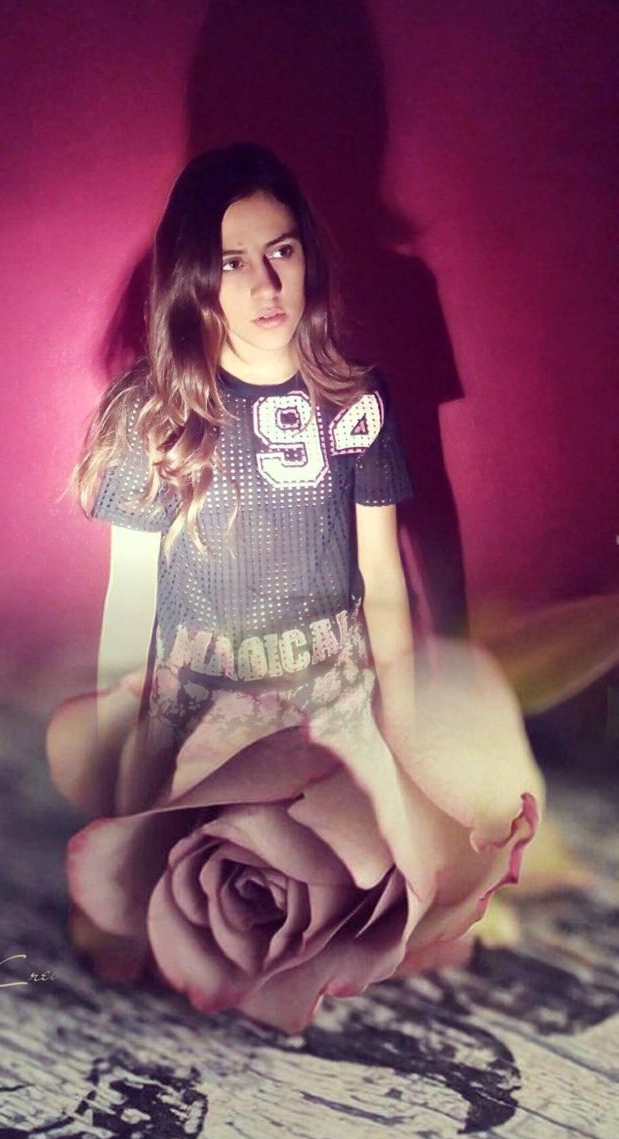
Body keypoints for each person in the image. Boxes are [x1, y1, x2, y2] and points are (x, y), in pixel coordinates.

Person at [73, 142, 415, 816]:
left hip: (332, 732)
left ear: (307, 254)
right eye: (232, 262)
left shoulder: (357, 400)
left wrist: (406, 747)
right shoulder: (154, 412)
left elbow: (382, 580)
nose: (266, 285)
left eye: (281, 251)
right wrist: (113, 770)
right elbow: (131, 601)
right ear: (194, 275)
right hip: (196, 739)